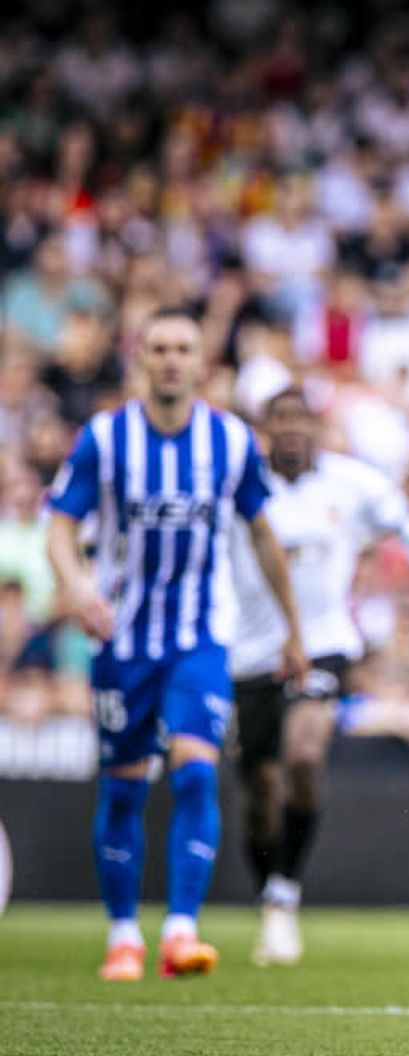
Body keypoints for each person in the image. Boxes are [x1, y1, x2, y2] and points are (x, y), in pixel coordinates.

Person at [45, 306, 308, 981]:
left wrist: (292, 630)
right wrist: (76, 586)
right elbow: (60, 525)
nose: (170, 359)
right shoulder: (105, 439)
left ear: (200, 363)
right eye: (158, 347)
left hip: (199, 639)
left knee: (195, 770)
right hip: (123, 641)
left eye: (182, 348)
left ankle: (182, 933)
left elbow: (262, 534)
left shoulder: (231, 442)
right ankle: (124, 936)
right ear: (141, 358)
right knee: (126, 788)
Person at [229, 386, 409, 966]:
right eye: (279, 419)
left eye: (300, 419)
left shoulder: (352, 483)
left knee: (305, 757)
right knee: (261, 792)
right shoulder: (240, 486)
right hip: (248, 653)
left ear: (317, 428)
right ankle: (272, 893)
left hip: (323, 644)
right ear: (265, 429)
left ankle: (285, 894)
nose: (290, 429)